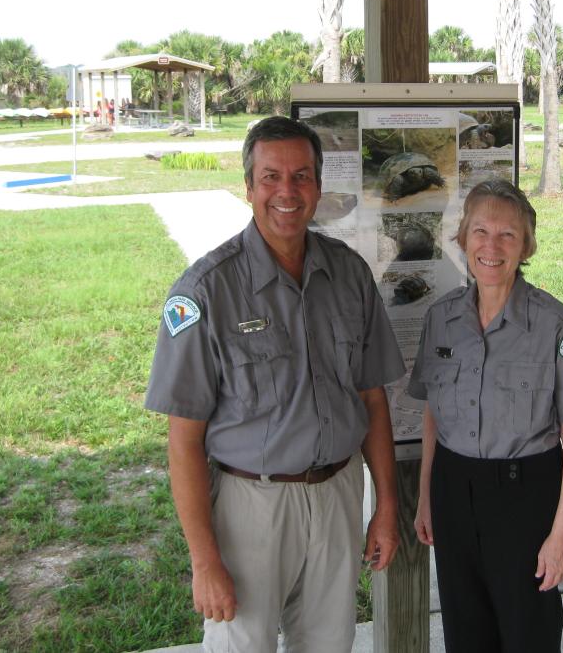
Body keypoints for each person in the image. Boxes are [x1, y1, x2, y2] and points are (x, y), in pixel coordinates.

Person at [145, 116, 405, 652]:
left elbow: (372, 398)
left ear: (318, 186)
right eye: (271, 177)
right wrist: (205, 560)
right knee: (245, 644)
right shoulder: (204, 292)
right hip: (251, 509)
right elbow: (183, 441)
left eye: (302, 176)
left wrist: (384, 507)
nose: (287, 191)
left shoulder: (350, 274)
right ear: (249, 187)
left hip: (337, 496)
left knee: (329, 645)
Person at [409, 179, 563, 653]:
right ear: (463, 239)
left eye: (507, 236)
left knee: (527, 635)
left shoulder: (556, 326)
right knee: (465, 630)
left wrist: (562, 534)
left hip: (525, 499)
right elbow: (434, 414)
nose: (491, 247)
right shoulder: (441, 318)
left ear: (526, 246)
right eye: (480, 232)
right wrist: (425, 497)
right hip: (454, 492)